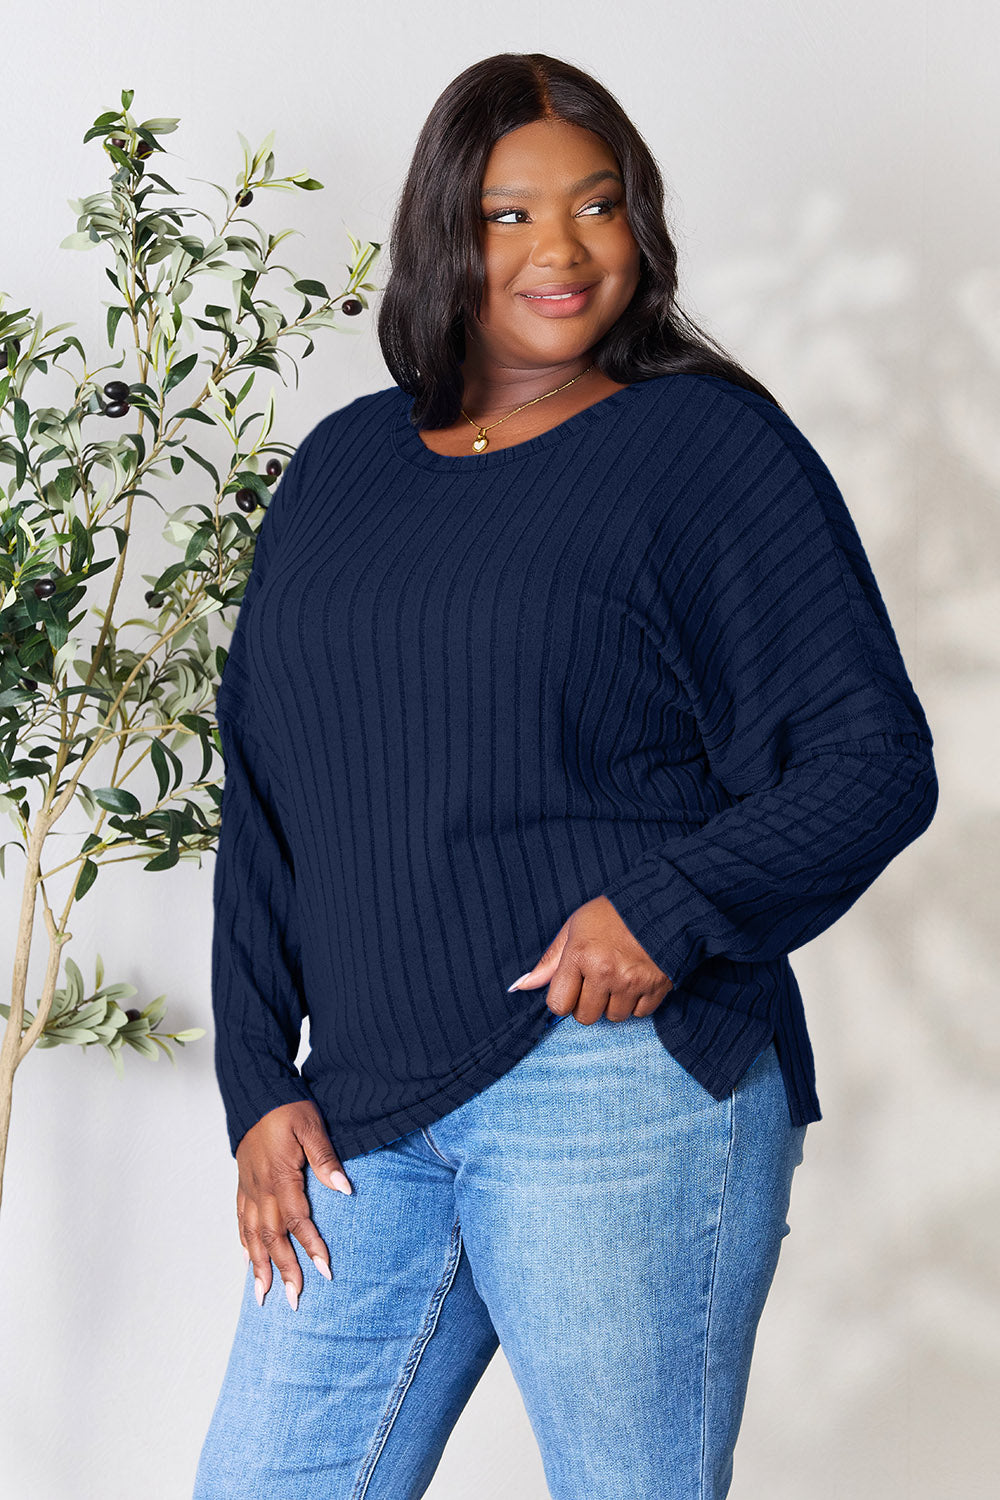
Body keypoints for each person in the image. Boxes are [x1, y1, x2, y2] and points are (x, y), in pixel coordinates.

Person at [192, 52, 938, 1500]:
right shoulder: (341, 467)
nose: (563, 250)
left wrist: (671, 905)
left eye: (598, 207)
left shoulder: (704, 449)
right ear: (442, 233)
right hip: (361, 1115)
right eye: (509, 214)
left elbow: (873, 761)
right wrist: (248, 1082)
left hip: (615, 1090)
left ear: (640, 228)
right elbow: (270, 793)